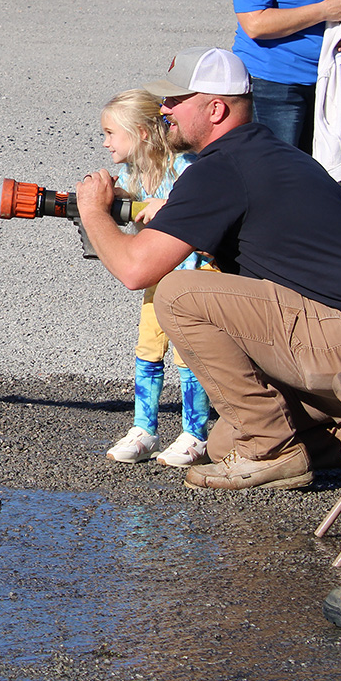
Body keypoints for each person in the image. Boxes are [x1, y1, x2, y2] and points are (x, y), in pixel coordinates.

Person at [74, 45, 341, 633]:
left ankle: (279, 445)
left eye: (176, 104)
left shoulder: (222, 167)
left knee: (177, 295)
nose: (166, 115)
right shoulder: (266, 155)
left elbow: (137, 271)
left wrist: (93, 210)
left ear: (215, 109)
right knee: (221, 442)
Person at [99, 90, 212, 467]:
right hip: (157, 280)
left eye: (111, 132)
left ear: (142, 133)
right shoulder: (135, 174)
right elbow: (130, 207)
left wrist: (172, 206)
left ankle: (195, 434)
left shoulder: (185, 168)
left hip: (194, 282)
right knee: (148, 351)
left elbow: (201, 209)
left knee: (188, 356)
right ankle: (144, 429)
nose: (106, 141)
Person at [226, 0, 341, 153]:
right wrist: (322, 12)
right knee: (278, 169)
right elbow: (256, 24)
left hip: (323, 80)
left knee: (314, 169)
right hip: (275, 86)